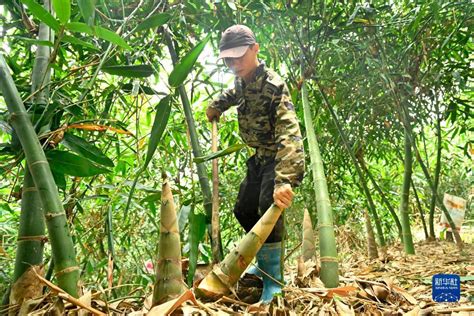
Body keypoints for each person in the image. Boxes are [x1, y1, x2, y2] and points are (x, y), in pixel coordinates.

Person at [206, 25, 305, 303]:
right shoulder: (242, 79)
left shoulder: (274, 85)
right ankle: (262, 263)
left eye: (239, 56)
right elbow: (234, 94)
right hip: (258, 157)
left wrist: (284, 180)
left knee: (268, 210)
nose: (234, 64)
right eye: (228, 59)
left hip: (277, 158)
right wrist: (217, 105)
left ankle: (273, 279)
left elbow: (290, 134)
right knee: (243, 209)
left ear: (255, 49)